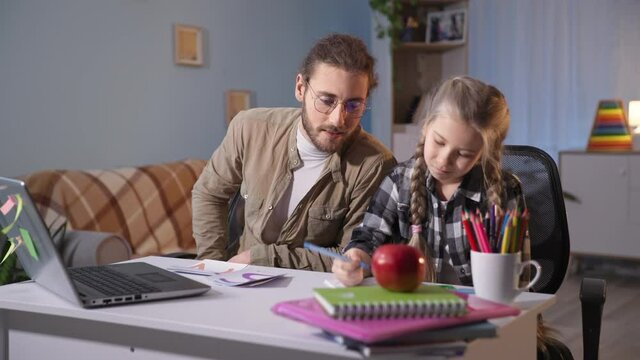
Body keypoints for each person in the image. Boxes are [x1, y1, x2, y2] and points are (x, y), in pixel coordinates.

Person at [192, 33, 396, 271]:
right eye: (326, 100)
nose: (338, 119)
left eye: (354, 105)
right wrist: (211, 265)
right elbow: (209, 193)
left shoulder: (376, 165)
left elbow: (350, 258)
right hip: (238, 281)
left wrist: (262, 258)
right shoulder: (249, 128)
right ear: (300, 88)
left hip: (315, 293)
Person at [332, 75, 527, 287]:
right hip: (411, 307)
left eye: (464, 154)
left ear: (482, 154)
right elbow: (368, 238)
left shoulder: (504, 191)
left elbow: (519, 277)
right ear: (426, 127)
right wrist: (356, 259)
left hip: (477, 311)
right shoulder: (400, 181)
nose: (444, 160)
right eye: (439, 142)